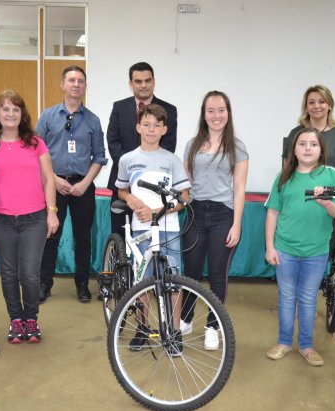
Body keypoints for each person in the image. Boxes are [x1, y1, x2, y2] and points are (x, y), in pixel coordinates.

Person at [265, 128, 335, 366]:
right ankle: (284, 342)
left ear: (321, 149)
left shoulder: (331, 175)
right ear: (294, 150)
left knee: (309, 298)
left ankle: (307, 346)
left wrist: (326, 203)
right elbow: (272, 213)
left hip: (316, 251)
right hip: (285, 249)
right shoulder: (284, 178)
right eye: (302, 144)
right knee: (287, 296)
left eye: (313, 144)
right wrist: (270, 247)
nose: (308, 148)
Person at [0, 90, 59, 344]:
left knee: (29, 274)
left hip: (34, 219)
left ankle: (31, 319)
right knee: (8, 274)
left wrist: (52, 212)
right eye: (5, 109)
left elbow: (49, 179)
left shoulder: (36, 143)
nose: (10, 114)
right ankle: (15, 321)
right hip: (1, 220)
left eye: (15, 109)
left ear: (22, 114)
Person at [116, 103, 190, 355]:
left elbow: (184, 197)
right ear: (138, 127)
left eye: (156, 125)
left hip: (168, 229)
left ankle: (174, 332)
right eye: (146, 124)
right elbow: (122, 189)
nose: (151, 129)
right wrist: (131, 200)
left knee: (173, 281)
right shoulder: (127, 159)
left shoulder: (172, 160)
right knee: (143, 282)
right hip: (140, 230)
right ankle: (142, 329)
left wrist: (157, 212)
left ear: (164, 129)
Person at [180, 91, 248, 351]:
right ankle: (185, 318)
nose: (216, 115)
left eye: (221, 110)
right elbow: (185, 183)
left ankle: (212, 326)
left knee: (218, 275)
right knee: (192, 272)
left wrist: (237, 224)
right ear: (204, 114)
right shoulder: (192, 144)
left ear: (228, 113)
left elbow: (239, 188)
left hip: (223, 214)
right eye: (211, 110)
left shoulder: (237, 147)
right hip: (195, 214)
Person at [36, 65, 107, 303]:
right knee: (50, 235)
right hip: (53, 184)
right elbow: (36, 153)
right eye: (72, 80)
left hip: (82, 187)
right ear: (62, 84)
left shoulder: (93, 121)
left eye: (81, 81)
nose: (76, 84)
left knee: (83, 237)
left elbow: (99, 157)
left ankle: (82, 285)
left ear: (85, 86)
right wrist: (53, 180)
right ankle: (44, 284)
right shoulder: (47, 117)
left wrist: (86, 183)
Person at [106, 62, 178, 237]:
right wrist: (132, 168)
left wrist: (144, 171)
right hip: (123, 186)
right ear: (131, 83)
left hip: (154, 186)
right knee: (120, 239)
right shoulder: (119, 107)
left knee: (153, 240)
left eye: (147, 80)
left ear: (154, 81)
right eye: (138, 81)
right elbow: (112, 141)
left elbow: (168, 144)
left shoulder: (169, 109)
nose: (143, 85)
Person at [282, 85, 335, 177]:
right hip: (300, 188)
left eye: (322, 102)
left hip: (327, 188)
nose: (316, 106)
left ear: (330, 105)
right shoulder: (295, 133)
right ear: (306, 107)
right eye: (311, 102)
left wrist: (330, 187)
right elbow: (287, 165)